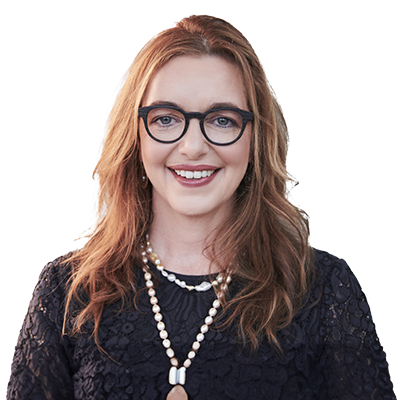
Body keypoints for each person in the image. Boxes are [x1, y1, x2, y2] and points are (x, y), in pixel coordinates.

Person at [7, 14, 395, 400]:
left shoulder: (323, 290)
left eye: (222, 120)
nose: (193, 147)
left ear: (255, 138)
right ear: (135, 135)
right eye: (165, 118)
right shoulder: (67, 291)